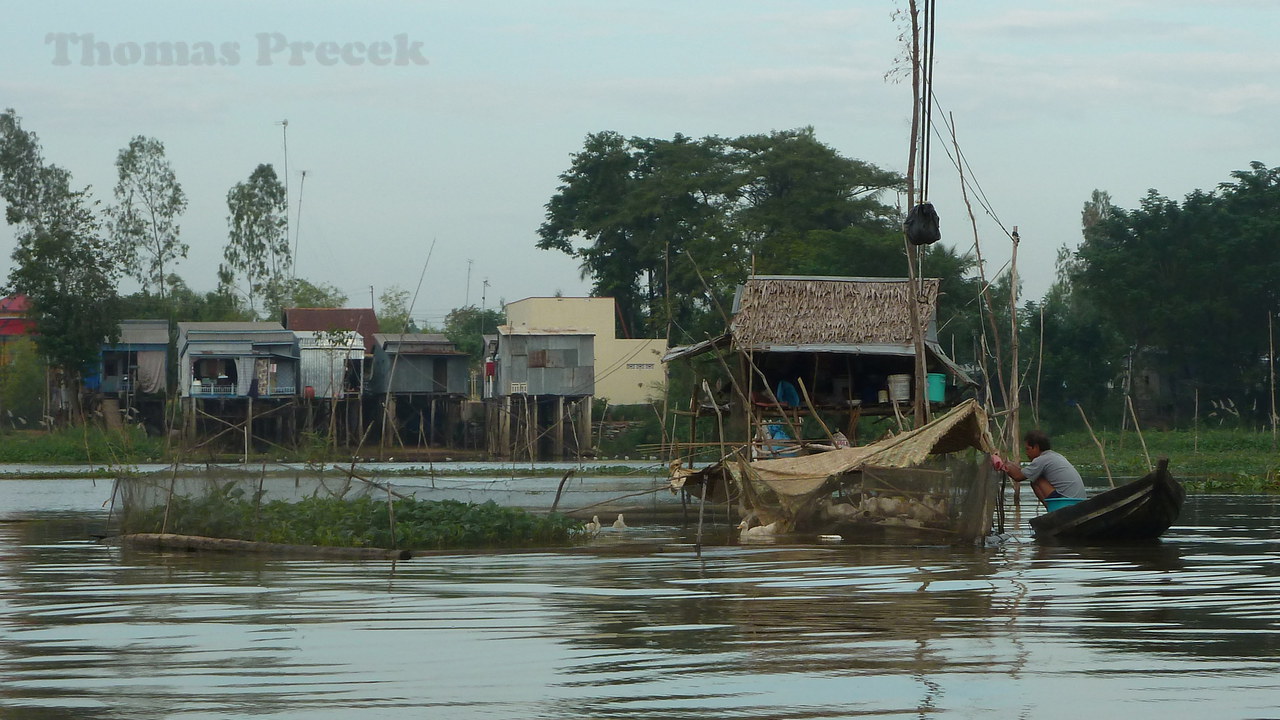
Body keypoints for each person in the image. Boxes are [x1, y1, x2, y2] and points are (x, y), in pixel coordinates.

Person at [992, 429, 1086, 503]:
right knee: (1034, 476)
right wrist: (1007, 464)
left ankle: (1053, 511)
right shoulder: (1054, 455)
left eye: (1028, 449)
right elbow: (1022, 471)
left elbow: (1018, 476)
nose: (1027, 453)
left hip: (1066, 501)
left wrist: (1002, 465)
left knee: (1036, 480)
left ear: (1036, 447)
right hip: (1078, 501)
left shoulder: (1041, 460)